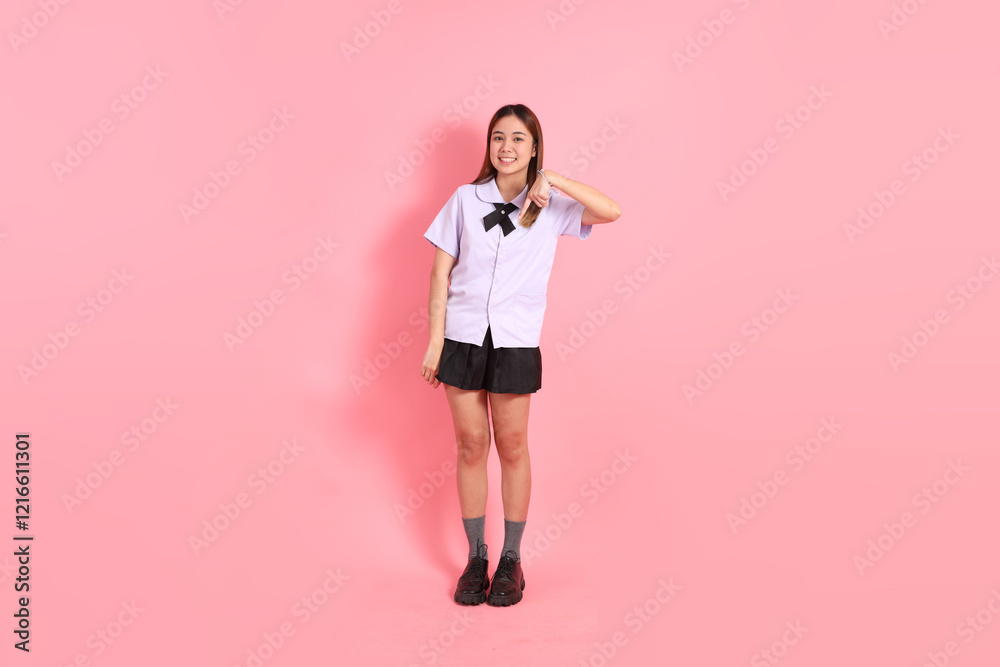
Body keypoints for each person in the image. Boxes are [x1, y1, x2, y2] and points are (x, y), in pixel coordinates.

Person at [419, 103, 621, 606]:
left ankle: (511, 560)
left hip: (515, 340)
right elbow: (440, 273)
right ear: (489, 145)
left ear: (534, 149)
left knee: (512, 446)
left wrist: (552, 180)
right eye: (497, 137)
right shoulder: (465, 200)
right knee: (470, 445)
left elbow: (611, 210)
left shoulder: (550, 206)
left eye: (517, 139)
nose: (505, 147)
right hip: (463, 337)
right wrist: (435, 342)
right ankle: (476, 558)